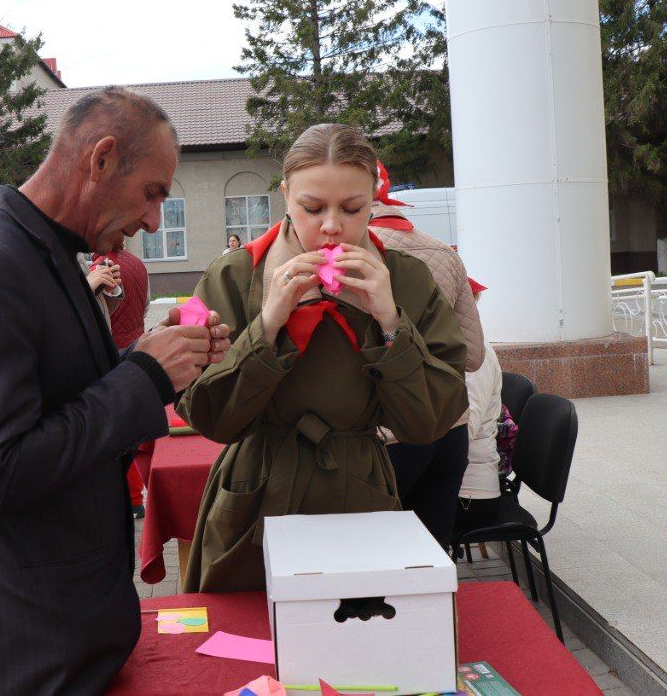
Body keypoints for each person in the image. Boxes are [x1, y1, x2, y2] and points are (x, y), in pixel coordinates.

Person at [0, 87, 232, 694]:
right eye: (152, 193)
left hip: (61, 633)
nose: (153, 221)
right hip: (24, 650)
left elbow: (56, 393)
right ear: (102, 159)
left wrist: (140, 358)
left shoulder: (51, 252)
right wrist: (144, 378)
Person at [178, 123, 468, 593]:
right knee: (246, 647)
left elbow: (431, 421)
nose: (332, 225)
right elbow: (208, 416)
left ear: (374, 198)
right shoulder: (234, 275)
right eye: (312, 208)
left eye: (352, 208)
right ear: (287, 194)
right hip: (256, 495)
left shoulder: (406, 279)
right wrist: (269, 324)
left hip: (359, 493)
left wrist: (391, 322)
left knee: (358, 640)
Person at [371, 162, 486, 547]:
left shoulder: (348, 257)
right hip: (449, 427)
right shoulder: (443, 252)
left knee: (377, 558)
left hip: (388, 436)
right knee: (433, 559)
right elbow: (472, 356)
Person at [90, 247, 152, 518]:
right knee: (134, 430)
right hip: (137, 347)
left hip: (111, 353)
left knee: (116, 432)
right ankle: (137, 499)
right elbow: (146, 306)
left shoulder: (96, 268)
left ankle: (128, 499)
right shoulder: (139, 264)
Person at [457, 280, 502, 524]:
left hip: (471, 494)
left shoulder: (476, 354)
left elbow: (465, 431)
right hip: (456, 482)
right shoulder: (449, 345)